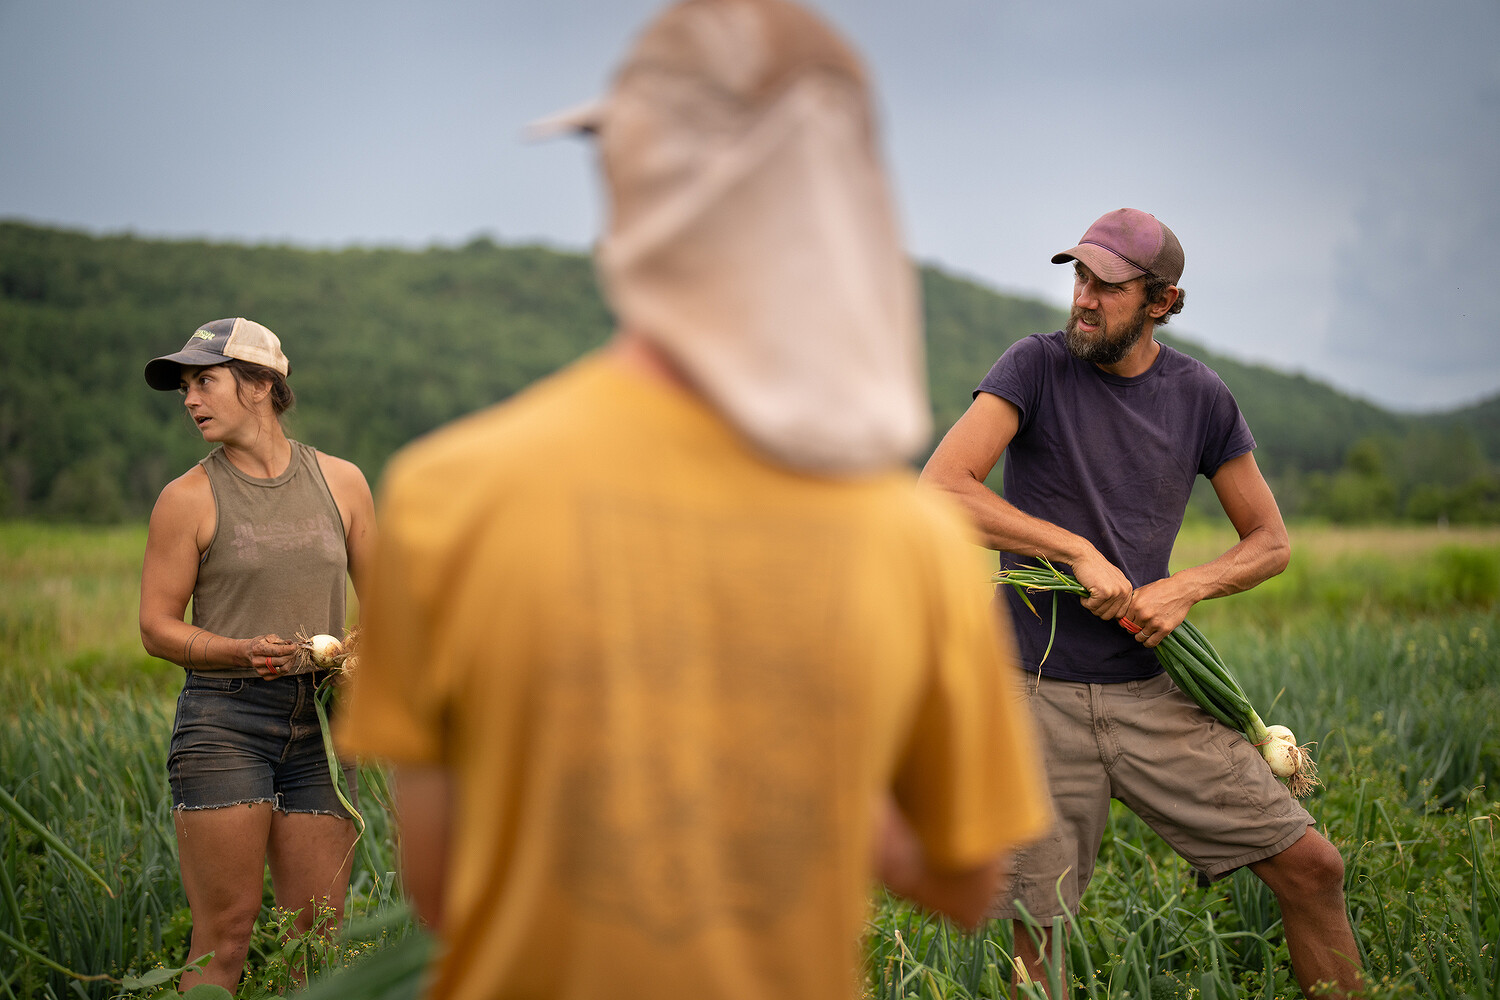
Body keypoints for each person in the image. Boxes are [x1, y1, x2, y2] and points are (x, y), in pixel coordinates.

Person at [334, 2, 1052, 998]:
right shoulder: (914, 542)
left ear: (637, 187)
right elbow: (974, 884)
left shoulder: (450, 492)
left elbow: (443, 890)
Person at [920, 208, 1365, 998]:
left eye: (1109, 285)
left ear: (1161, 302)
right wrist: (1074, 549)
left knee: (1312, 867)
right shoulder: (1034, 367)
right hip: (1032, 693)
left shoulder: (1199, 398)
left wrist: (1184, 588)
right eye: (1080, 277)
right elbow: (942, 488)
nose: (1085, 298)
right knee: (1040, 929)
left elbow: (1270, 541)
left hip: (1148, 692)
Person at [138, 317, 376, 992]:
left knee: (316, 940)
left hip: (324, 734)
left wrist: (359, 656)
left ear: (262, 384)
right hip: (223, 725)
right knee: (226, 935)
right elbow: (156, 628)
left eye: (205, 381)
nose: (190, 399)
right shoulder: (186, 499)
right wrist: (238, 652)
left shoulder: (343, 483)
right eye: (186, 386)